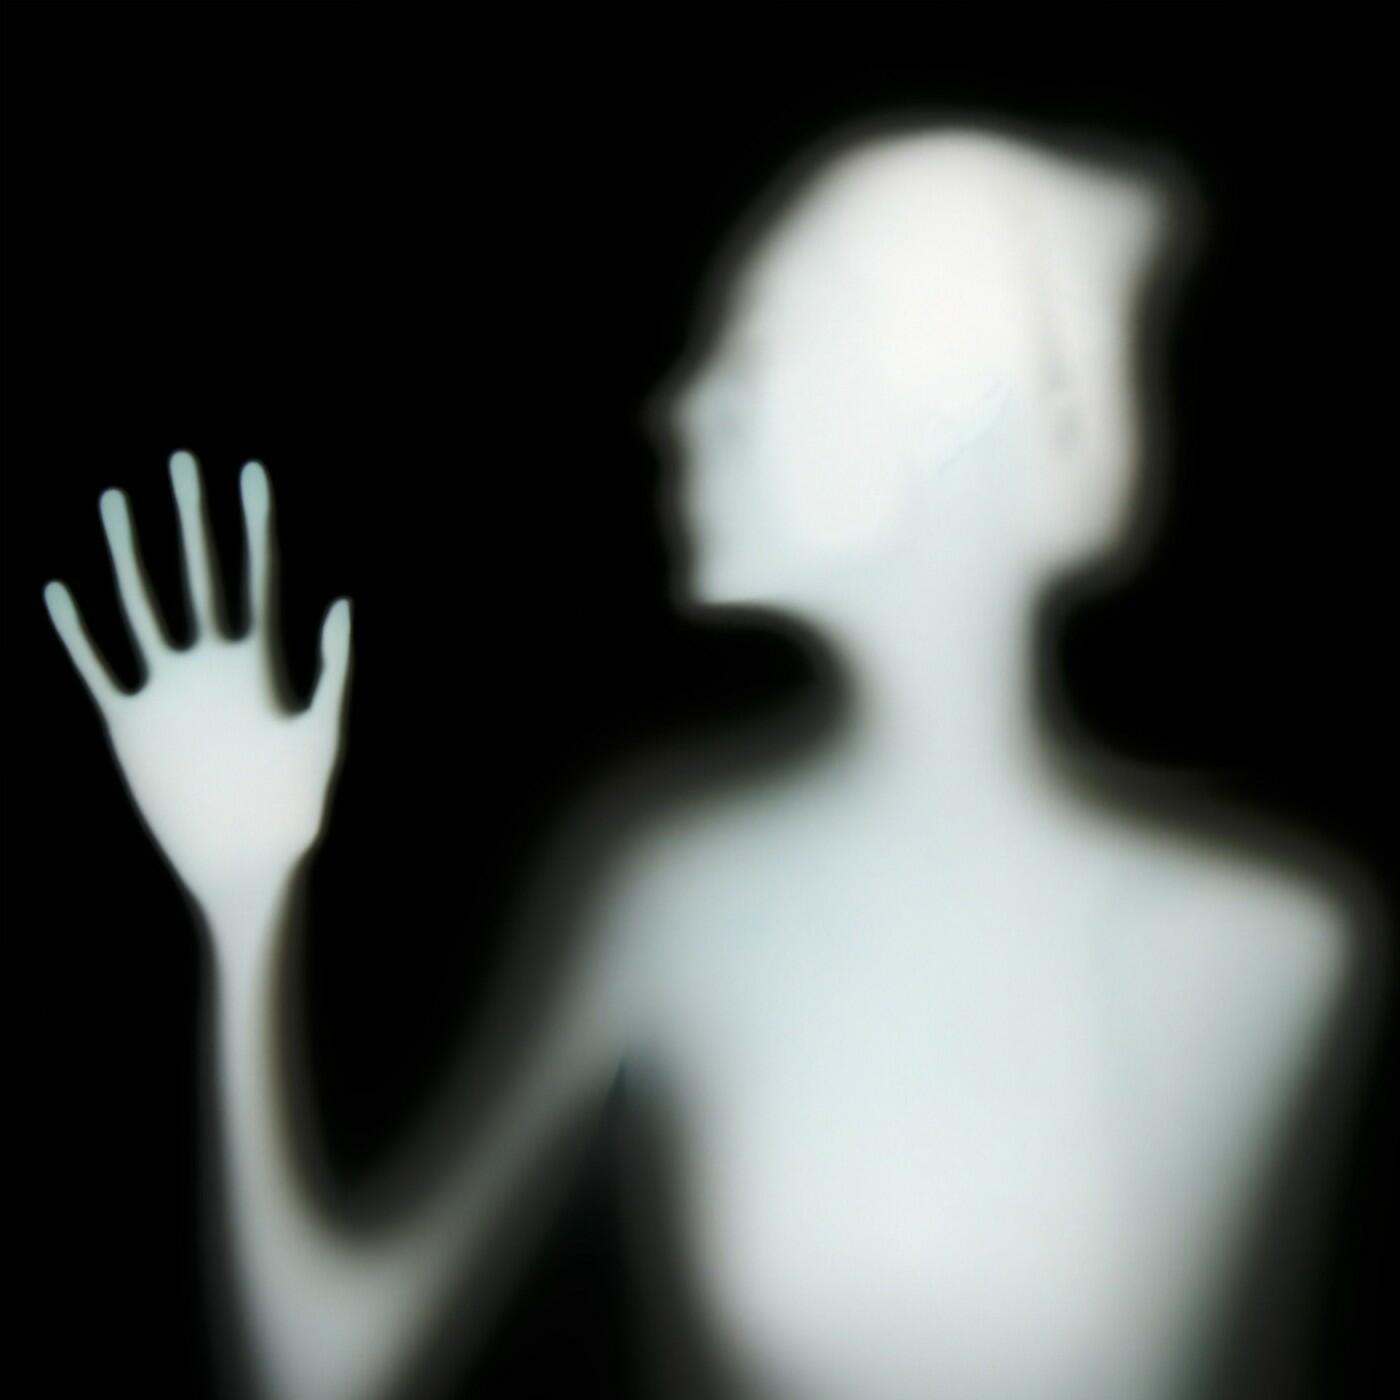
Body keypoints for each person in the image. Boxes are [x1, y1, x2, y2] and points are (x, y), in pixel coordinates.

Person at [44, 124, 1379, 1400]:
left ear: (938, 423)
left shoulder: (1270, 945)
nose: (689, 410)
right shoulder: (670, 892)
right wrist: (246, 902)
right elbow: (331, 1367)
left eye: (757, 354)